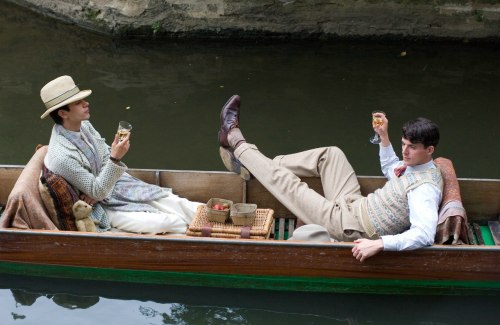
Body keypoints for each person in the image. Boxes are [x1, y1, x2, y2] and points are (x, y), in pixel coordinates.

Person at [217, 95, 443, 262]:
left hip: (349, 227)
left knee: (289, 185)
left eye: (411, 147)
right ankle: (255, 164)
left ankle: (235, 140)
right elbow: (392, 169)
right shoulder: (416, 164)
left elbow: (424, 234)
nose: (405, 152)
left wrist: (380, 244)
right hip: (355, 203)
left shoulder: (425, 190)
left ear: (430, 150)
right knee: (331, 155)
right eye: (403, 144)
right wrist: (384, 138)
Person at [40, 75, 201, 234]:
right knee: (164, 222)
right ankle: (198, 233)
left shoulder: (84, 125)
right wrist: (115, 158)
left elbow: (103, 162)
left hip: (114, 186)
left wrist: (98, 188)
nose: (86, 103)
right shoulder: (62, 157)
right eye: (78, 103)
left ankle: (216, 221)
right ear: (63, 113)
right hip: (100, 206)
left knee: (177, 203)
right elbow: (98, 189)